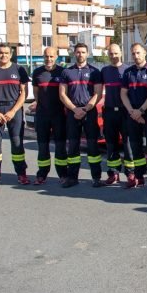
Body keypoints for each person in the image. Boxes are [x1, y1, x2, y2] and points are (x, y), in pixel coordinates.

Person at [0, 43, 30, 187]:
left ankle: (21, 174)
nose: (4, 55)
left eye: (7, 53)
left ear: (11, 54)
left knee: (17, 145)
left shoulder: (19, 69)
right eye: (1, 53)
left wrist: (13, 111)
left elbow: (24, 93)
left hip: (13, 109)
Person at [59, 43, 104, 188]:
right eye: (78, 52)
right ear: (74, 53)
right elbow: (62, 94)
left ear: (87, 53)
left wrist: (85, 109)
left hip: (89, 113)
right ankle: (72, 178)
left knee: (92, 147)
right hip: (72, 114)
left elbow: (97, 94)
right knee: (73, 146)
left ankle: (96, 178)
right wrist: (74, 109)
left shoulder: (95, 72)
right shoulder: (66, 72)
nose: (80, 54)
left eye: (83, 52)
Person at [121, 43, 147, 189]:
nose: (135, 56)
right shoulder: (128, 72)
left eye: (138, 53)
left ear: (145, 53)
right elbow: (123, 94)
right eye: (133, 53)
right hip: (132, 115)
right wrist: (132, 111)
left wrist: (140, 111)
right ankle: (139, 176)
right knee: (135, 146)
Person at [29, 47, 67, 185]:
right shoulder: (37, 72)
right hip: (43, 115)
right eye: (46, 56)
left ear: (56, 56)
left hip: (59, 115)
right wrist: (38, 104)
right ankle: (42, 174)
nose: (49, 59)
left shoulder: (62, 72)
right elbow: (36, 93)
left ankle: (63, 174)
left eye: (51, 56)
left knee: (60, 146)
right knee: (43, 146)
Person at [101, 44, 131, 185]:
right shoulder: (104, 71)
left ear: (121, 53)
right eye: (111, 54)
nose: (113, 56)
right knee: (111, 144)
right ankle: (113, 172)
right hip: (109, 111)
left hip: (125, 112)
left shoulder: (127, 70)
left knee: (127, 143)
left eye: (116, 53)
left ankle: (131, 173)